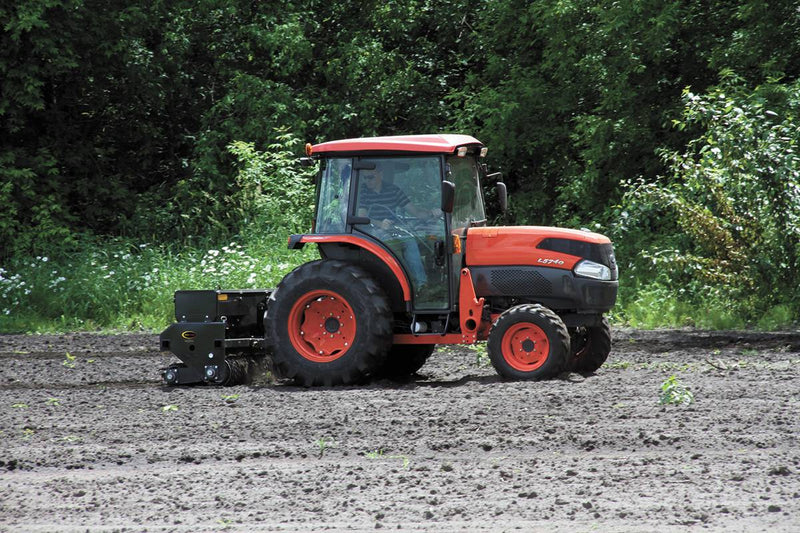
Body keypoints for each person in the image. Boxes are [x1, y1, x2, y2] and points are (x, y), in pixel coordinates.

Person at [357, 168, 440, 291]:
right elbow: (361, 216)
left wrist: (432, 213)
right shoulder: (363, 191)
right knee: (392, 247)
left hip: (392, 228)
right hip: (370, 231)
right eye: (365, 177)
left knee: (410, 241)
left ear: (380, 174)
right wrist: (380, 224)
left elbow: (416, 212)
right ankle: (401, 286)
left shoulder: (393, 190)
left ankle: (422, 284)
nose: (367, 181)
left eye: (371, 177)